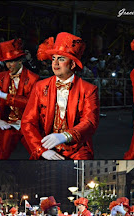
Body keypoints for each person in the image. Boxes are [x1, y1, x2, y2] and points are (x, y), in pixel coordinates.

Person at [21, 32, 100, 160]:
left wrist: (65, 136)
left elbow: (90, 122)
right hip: (47, 147)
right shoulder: (40, 86)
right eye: (53, 58)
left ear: (73, 64)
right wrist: (41, 150)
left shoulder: (89, 90)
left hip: (77, 149)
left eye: (61, 59)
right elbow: (27, 122)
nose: (55, 63)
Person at [0, 38, 40, 159]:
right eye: (6, 62)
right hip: (8, 123)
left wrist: (6, 97)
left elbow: (31, 103)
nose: (8, 65)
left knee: (39, 154)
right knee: (1, 155)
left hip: (28, 123)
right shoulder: (1, 76)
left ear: (21, 61)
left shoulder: (33, 79)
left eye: (12, 62)